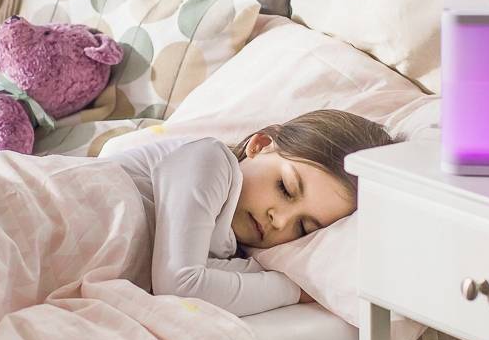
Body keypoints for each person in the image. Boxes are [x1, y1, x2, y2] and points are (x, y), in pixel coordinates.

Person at [112, 109, 395, 317]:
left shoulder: (231, 249)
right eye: (285, 188)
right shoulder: (210, 161)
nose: (280, 220)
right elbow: (181, 285)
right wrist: (296, 289)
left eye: (303, 228)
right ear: (259, 146)